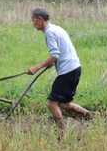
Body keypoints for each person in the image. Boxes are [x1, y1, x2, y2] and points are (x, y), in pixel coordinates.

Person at [27, 8, 91, 137]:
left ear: (40, 19)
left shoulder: (49, 33)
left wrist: (36, 67)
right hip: (75, 68)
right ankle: (90, 117)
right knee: (63, 103)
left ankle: (62, 134)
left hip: (67, 71)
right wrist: (52, 62)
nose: (33, 23)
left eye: (33, 20)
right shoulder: (57, 28)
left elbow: (55, 55)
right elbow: (59, 53)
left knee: (51, 104)